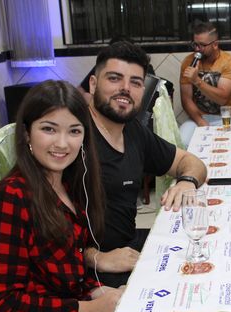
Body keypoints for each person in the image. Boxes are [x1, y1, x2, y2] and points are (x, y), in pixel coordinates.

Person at [0, 80, 124, 312]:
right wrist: (89, 309)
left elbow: (65, 269)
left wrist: (98, 292)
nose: (62, 143)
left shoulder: (68, 184)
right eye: (49, 129)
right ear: (26, 133)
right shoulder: (10, 199)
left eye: (74, 131)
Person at [87, 41, 207, 288]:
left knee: (204, 248)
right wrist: (95, 258)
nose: (125, 88)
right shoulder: (73, 136)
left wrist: (187, 182)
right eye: (114, 78)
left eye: (135, 82)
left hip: (129, 247)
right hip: (89, 270)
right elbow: (40, 227)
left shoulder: (132, 130)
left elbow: (191, 162)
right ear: (93, 84)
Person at [179, 22, 231, 147]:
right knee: (182, 141)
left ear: (215, 44)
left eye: (202, 45)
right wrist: (200, 121)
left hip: (225, 117)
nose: (197, 49)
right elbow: (186, 99)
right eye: (195, 44)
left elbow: (222, 98)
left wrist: (197, 81)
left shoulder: (229, 62)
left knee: (229, 142)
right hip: (197, 116)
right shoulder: (188, 61)